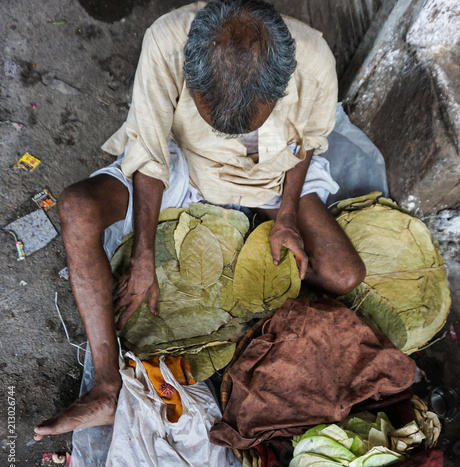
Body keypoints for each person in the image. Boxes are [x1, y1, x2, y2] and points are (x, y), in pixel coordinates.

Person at [34, 0, 365, 440]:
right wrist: (144, 257)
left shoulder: (314, 60)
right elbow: (149, 153)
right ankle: (107, 385)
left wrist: (286, 215)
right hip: (185, 165)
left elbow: (306, 143)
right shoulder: (166, 42)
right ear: (192, 76)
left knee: (345, 274)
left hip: (269, 177)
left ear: (280, 85)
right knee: (78, 208)